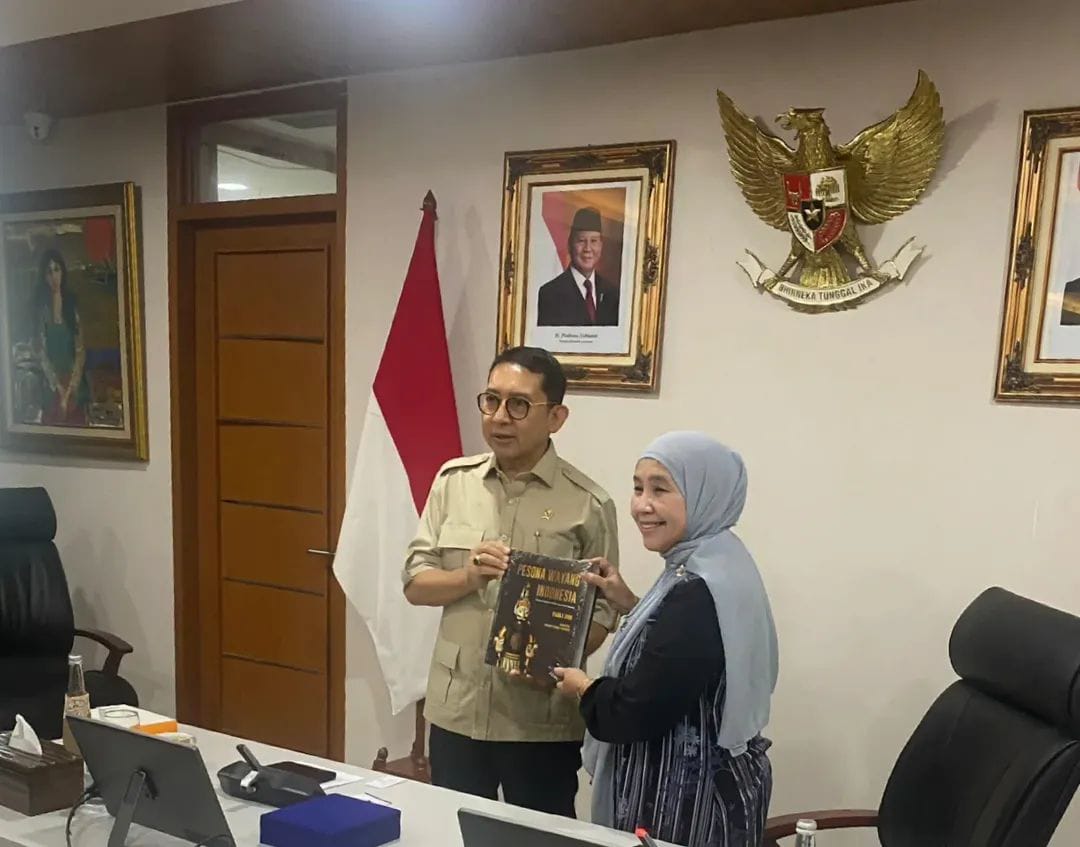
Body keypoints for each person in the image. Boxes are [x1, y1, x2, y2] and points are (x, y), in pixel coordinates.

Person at [402, 345, 620, 817]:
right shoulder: (453, 481)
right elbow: (416, 583)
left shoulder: (588, 504)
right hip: (458, 710)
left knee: (540, 839)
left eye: (519, 404)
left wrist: (555, 653)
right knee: (456, 832)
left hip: (538, 720)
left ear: (556, 417)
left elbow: (603, 612)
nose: (500, 417)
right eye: (491, 400)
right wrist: (468, 575)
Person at [553, 431, 779, 847]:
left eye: (660, 489)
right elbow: (687, 653)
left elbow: (634, 711)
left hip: (683, 805)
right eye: (638, 487)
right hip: (719, 787)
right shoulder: (721, 560)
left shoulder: (699, 589)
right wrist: (631, 604)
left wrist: (583, 687)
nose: (642, 505)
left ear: (705, 494)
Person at [536, 207, 620, 327]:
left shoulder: (612, 293)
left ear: (601, 246)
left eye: (594, 241)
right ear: (569, 245)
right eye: (581, 241)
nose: (588, 249)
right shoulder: (550, 293)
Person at [33, 249, 89, 426]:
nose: (54, 276)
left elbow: (80, 351)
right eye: (49, 272)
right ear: (44, 277)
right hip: (52, 385)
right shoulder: (42, 311)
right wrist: (58, 387)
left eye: (56, 269)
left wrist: (71, 388)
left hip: (74, 383)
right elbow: (41, 353)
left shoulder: (71, 307)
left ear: (62, 272)